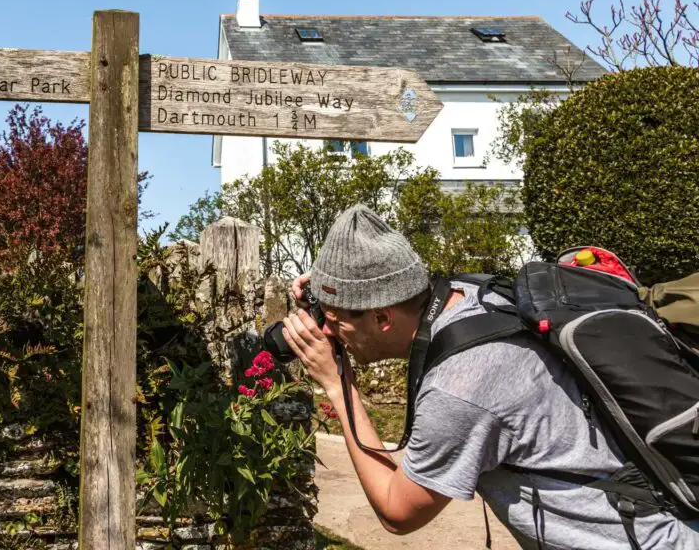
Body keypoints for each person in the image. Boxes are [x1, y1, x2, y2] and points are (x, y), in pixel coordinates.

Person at [281, 204, 697, 549]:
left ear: (383, 317)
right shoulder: (479, 294)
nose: (330, 332)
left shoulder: (459, 389)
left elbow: (397, 513)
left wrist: (338, 384)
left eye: (335, 322)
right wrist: (327, 294)